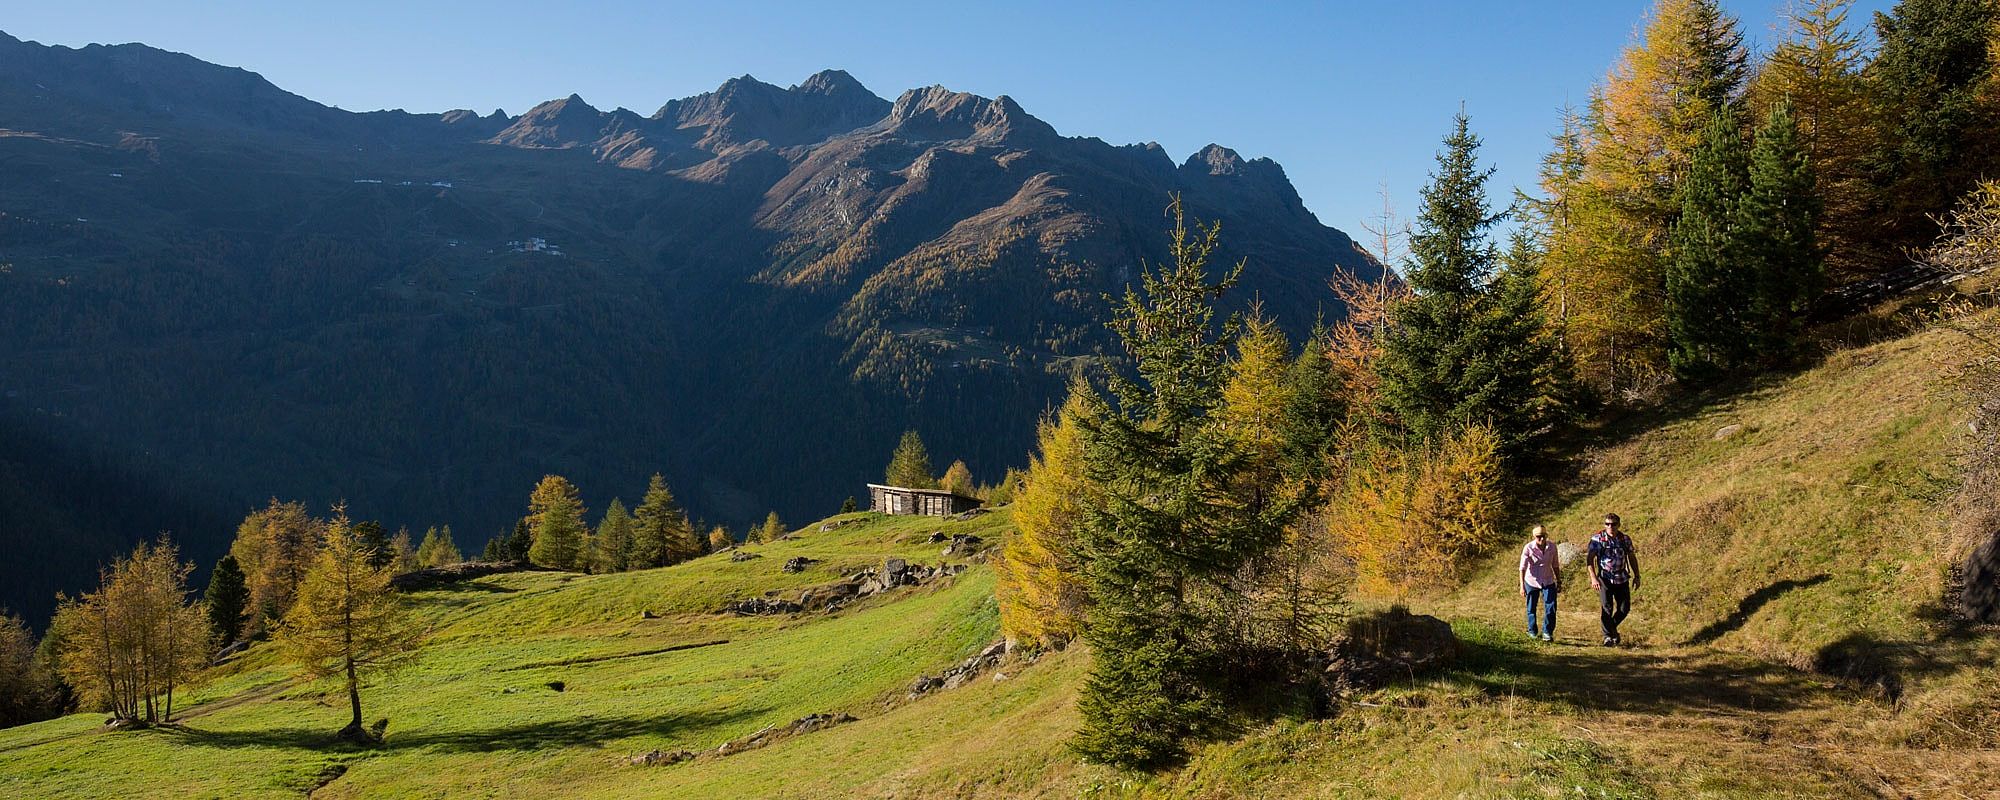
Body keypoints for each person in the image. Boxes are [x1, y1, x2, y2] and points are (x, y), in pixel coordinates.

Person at [1587, 513, 1640, 646]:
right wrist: (1593, 578)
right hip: (1605, 578)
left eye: (1613, 524)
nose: (1610, 527)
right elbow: (1589, 559)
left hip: (1622, 577)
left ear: (1619, 525)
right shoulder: (1597, 539)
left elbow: (1632, 557)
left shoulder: (1624, 539)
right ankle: (1607, 637)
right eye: (1607, 524)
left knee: (1624, 608)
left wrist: (1637, 576)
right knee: (1607, 608)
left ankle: (1612, 629)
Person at [1519, 525, 1560, 642]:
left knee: (1551, 607)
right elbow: (1522, 568)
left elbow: (1555, 565)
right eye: (1538, 537)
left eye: (1544, 536)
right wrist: (1522, 586)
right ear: (1534, 537)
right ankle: (1532, 631)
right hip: (1532, 581)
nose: (1541, 539)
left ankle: (1547, 632)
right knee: (1531, 607)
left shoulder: (1552, 547)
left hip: (1548, 580)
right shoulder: (1528, 548)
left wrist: (1559, 580)